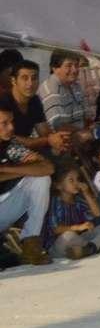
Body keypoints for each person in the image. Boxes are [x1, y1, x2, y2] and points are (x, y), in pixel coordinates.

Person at [0, 101, 53, 265]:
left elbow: (47, 168)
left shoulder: (10, 145)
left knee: (41, 179)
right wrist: (25, 168)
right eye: (4, 123)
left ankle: (31, 243)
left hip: (4, 208)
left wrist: (7, 169)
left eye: (11, 122)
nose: (11, 128)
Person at [46, 164, 100, 260]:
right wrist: (78, 227)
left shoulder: (78, 201)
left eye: (77, 179)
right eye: (71, 180)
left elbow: (97, 213)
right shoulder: (54, 202)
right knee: (69, 235)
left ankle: (88, 249)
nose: (76, 183)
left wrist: (86, 193)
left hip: (79, 240)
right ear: (59, 185)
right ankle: (96, 248)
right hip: (60, 244)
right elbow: (55, 229)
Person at [0, 60, 70, 156]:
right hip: (6, 151)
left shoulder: (34, 100)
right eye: (24, 78)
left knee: (63, 150)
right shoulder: (3, 102)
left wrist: (57, 139)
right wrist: (49, 140)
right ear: (13, 81)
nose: (30, 83)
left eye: (34, 78)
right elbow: (11, 140)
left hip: (24, 149)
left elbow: (44, 132)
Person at [38, 51, 91, 141]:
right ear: (55, 68)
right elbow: (58, 126)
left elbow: (86, 117)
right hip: (64, 139)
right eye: (69, 66)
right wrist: (85, 133)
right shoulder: (51, 89)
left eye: (76, 65)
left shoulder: (75, 85)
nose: (74, 70)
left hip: (80, 134)